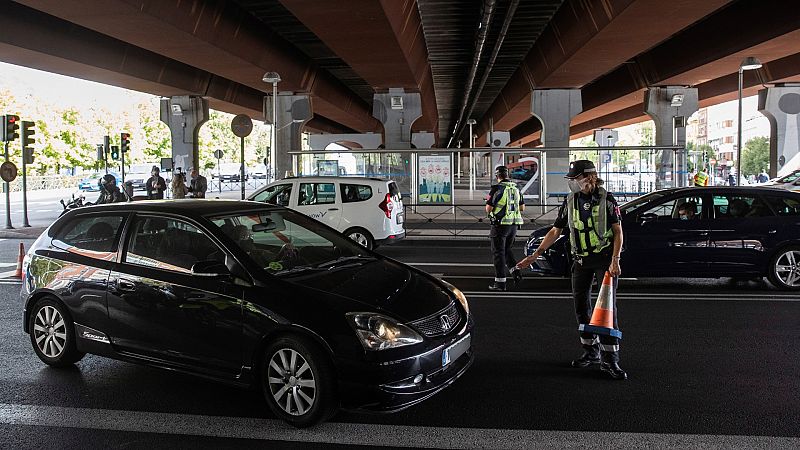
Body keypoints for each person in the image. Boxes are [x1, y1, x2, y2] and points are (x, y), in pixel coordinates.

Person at [515, 160, 627, 380]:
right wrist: (534, 255)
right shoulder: (570, 202)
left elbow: (618, 232)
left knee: (606, 311)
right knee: (581, 308)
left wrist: (615, 259)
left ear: (590, 177)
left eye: (575, 179)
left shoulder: (608, 200)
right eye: (571, 180)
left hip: (603, 260)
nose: (572, 183)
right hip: (581, 261)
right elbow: (555, 231)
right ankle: (590, 352)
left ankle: (611, 361)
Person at [485, 165, 525, 291]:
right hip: (513, 226)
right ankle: (516, 273)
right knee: (507, 250)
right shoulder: (516, 188)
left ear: (497, 176)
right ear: (507, 175)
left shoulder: (496, 188)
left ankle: (500, 283)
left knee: (498, 253)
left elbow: (488, 208)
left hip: (500, 225)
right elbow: (522, 208)